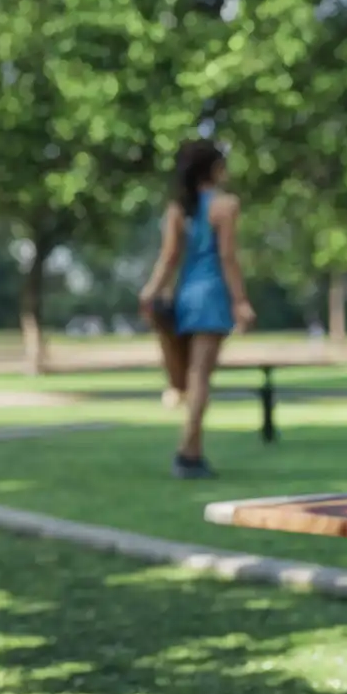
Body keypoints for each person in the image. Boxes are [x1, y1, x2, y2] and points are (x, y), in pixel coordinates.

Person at [137, 139, 253, 479]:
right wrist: (241, 301)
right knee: (200, 375)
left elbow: (169, 258)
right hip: (212, 295)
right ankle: (188, 453)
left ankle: (193, 450)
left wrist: (150, 292)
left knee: (190, 376)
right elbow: (228, 258)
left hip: (185, 295)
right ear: (214, 169)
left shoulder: (178, 209)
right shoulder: (226, 206)